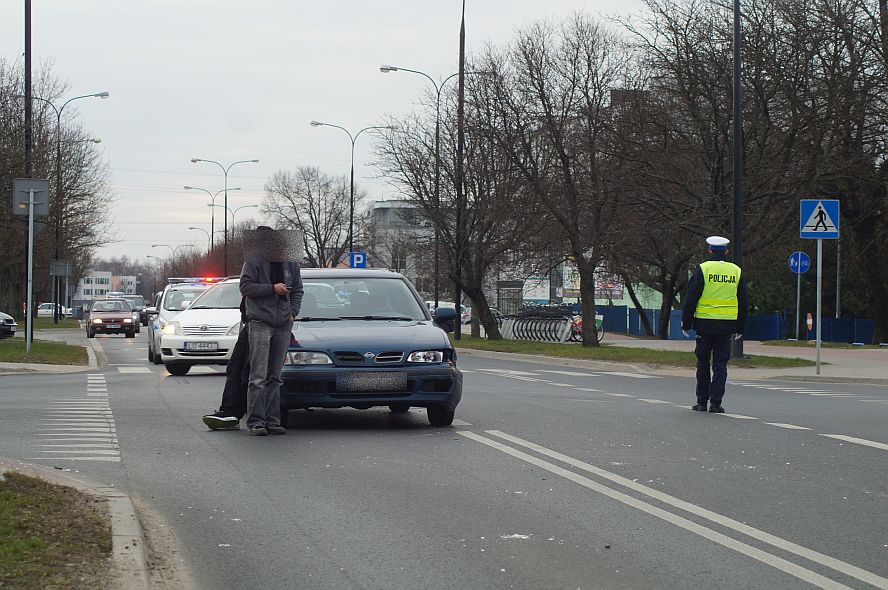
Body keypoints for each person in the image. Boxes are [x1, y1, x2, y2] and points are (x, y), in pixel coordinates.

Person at [240, 227, 303, 436]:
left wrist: (292, 313)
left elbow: (298, 290)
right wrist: (271, 288)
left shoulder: (291, 263)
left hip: (283, 323)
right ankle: (256, 421)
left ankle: (273, 420)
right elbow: (245, 287)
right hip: (260, 321)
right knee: (258, 375)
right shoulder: (254, 261)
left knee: (275, 376)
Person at [681, 235, 748, 413]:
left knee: (702, 362)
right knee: (720, 365)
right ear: (726, 251)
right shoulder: (736, 271)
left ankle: (702, 402)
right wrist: (740, 327)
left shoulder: (703, 269)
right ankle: (716, 403)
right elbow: (743, 302)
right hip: (726, 326)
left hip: (704, 324)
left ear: (709, 251)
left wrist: (686, 323)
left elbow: (691, 298)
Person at [201, 298, 250, 430]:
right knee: (235, 368)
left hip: (269, 325)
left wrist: (291, 315)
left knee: (250, 373)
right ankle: (231, 412)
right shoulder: (251, 279)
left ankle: (259, 415)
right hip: (251, 326)